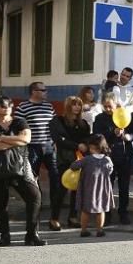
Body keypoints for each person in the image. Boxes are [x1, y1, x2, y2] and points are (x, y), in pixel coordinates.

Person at [0, 95, 44, 246]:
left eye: (9, 105)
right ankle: (5, 235)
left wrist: (1, 139)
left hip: (20, 167)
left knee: (35, 197)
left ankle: (31, 234)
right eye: (3, 106)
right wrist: (15, 141)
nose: (8, 108)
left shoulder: (19, 122)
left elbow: (26, 139)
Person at [16, 82, 59, 230]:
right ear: (34, 91)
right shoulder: (23, 107)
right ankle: (36, 213)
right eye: (43, 90)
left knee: (55, 177)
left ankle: (54, 216)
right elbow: (17, 126)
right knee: (32, 179)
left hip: (49, 146)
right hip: (32, 147)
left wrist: (54, 141)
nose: (46, 92)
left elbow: (54, 124)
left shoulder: (49, 106)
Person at [50, 96, 92, 229]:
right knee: (61, 190)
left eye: (79, 105)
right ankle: (54, 218)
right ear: (68, 106)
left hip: (80, 160)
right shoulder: (58, 121)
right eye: (74, 105)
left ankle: (72, 217)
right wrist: (77, 146)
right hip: (64, 159)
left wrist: (85, 144)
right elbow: (59, 139)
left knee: (77, 191)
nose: (77, 107)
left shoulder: (83, 123)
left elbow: (87, 138)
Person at [93, 95, 133, 225]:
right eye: (104, 106)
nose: (107, 109)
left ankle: (123, 212)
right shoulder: (100, 118)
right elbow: (97, 136)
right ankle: (107, 214)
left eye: (109, 106)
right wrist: (113, 133)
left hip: (124, 156)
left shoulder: (125, 115)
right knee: (107, 186)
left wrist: (128, 136)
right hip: (108, 157)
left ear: (116, 105)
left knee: (124, 187)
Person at [69, 134, 114, 237]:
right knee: (101, 210)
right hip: (102, 189)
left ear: (91, 147)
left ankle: (84, 230)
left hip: (88, 189)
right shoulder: (107, 160)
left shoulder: (87, 159)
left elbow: (73, 167)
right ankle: (100, 230)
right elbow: (110, 171)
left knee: (85, 210)